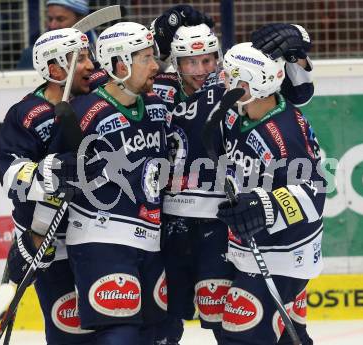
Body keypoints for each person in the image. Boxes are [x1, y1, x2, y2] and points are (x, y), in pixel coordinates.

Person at [152, 21, 316, 345]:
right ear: (175, 61)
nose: (202, 70)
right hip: (169, 226)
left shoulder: (233, 97)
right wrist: (157, 31)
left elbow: (297, 88)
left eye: (210, 60)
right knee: (163, 320)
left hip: (221, 226)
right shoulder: (162, 90)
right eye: (189, 61)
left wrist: (296, 48)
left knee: (232, 323)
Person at [213, 42, 325, 344]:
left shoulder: (283, 132)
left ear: (252, 83)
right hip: (261, 249)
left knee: (241, 337)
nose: (223, 80)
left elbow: (313, 193)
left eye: (231, 75)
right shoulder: (243, 112)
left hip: (285, 254)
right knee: (287, 337)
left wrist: (262, 206)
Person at [64, 21, 168, 345]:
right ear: (120, 65)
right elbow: (52, 174)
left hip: (150, 240)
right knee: (119, 334)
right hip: (102, 238)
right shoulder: (84, 113)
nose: (156, 66)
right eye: (146, 58)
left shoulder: (155, 107)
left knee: (153, 335)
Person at [0, 28, 98, 345]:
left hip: (99, 232)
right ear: (55, 69)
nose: (91, 65)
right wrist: (49, 172)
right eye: (81, 58)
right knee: (68, 328)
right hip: (51, 235)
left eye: (90, 56)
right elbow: (11, 174)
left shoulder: (97, 99)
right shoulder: (26, 114)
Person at [17, 0, 90, 70]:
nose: (52, 26)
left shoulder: (97, 49)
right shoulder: (32, 55)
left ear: (81, 20)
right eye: (50, 19)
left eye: (60, 19)